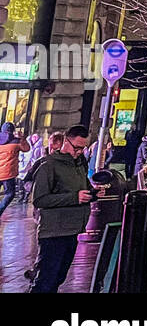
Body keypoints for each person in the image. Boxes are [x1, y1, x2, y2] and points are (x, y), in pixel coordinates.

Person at [30, 125, 94, 293]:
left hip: (72, 229)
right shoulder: (48, 165)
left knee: (58, 277)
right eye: (77, 147)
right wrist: (75, 197)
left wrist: (92, 193)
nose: (79, 152)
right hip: (53, 232)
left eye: (83, 148)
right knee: (46, 281)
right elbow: (39, 199)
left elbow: (81, 188)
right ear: (66, 141)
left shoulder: (79, 164)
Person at [0, 122, 31, 220]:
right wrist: (22, 138)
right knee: (9, 194)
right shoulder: (16, 142)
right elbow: (26, 149)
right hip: (8, 174)